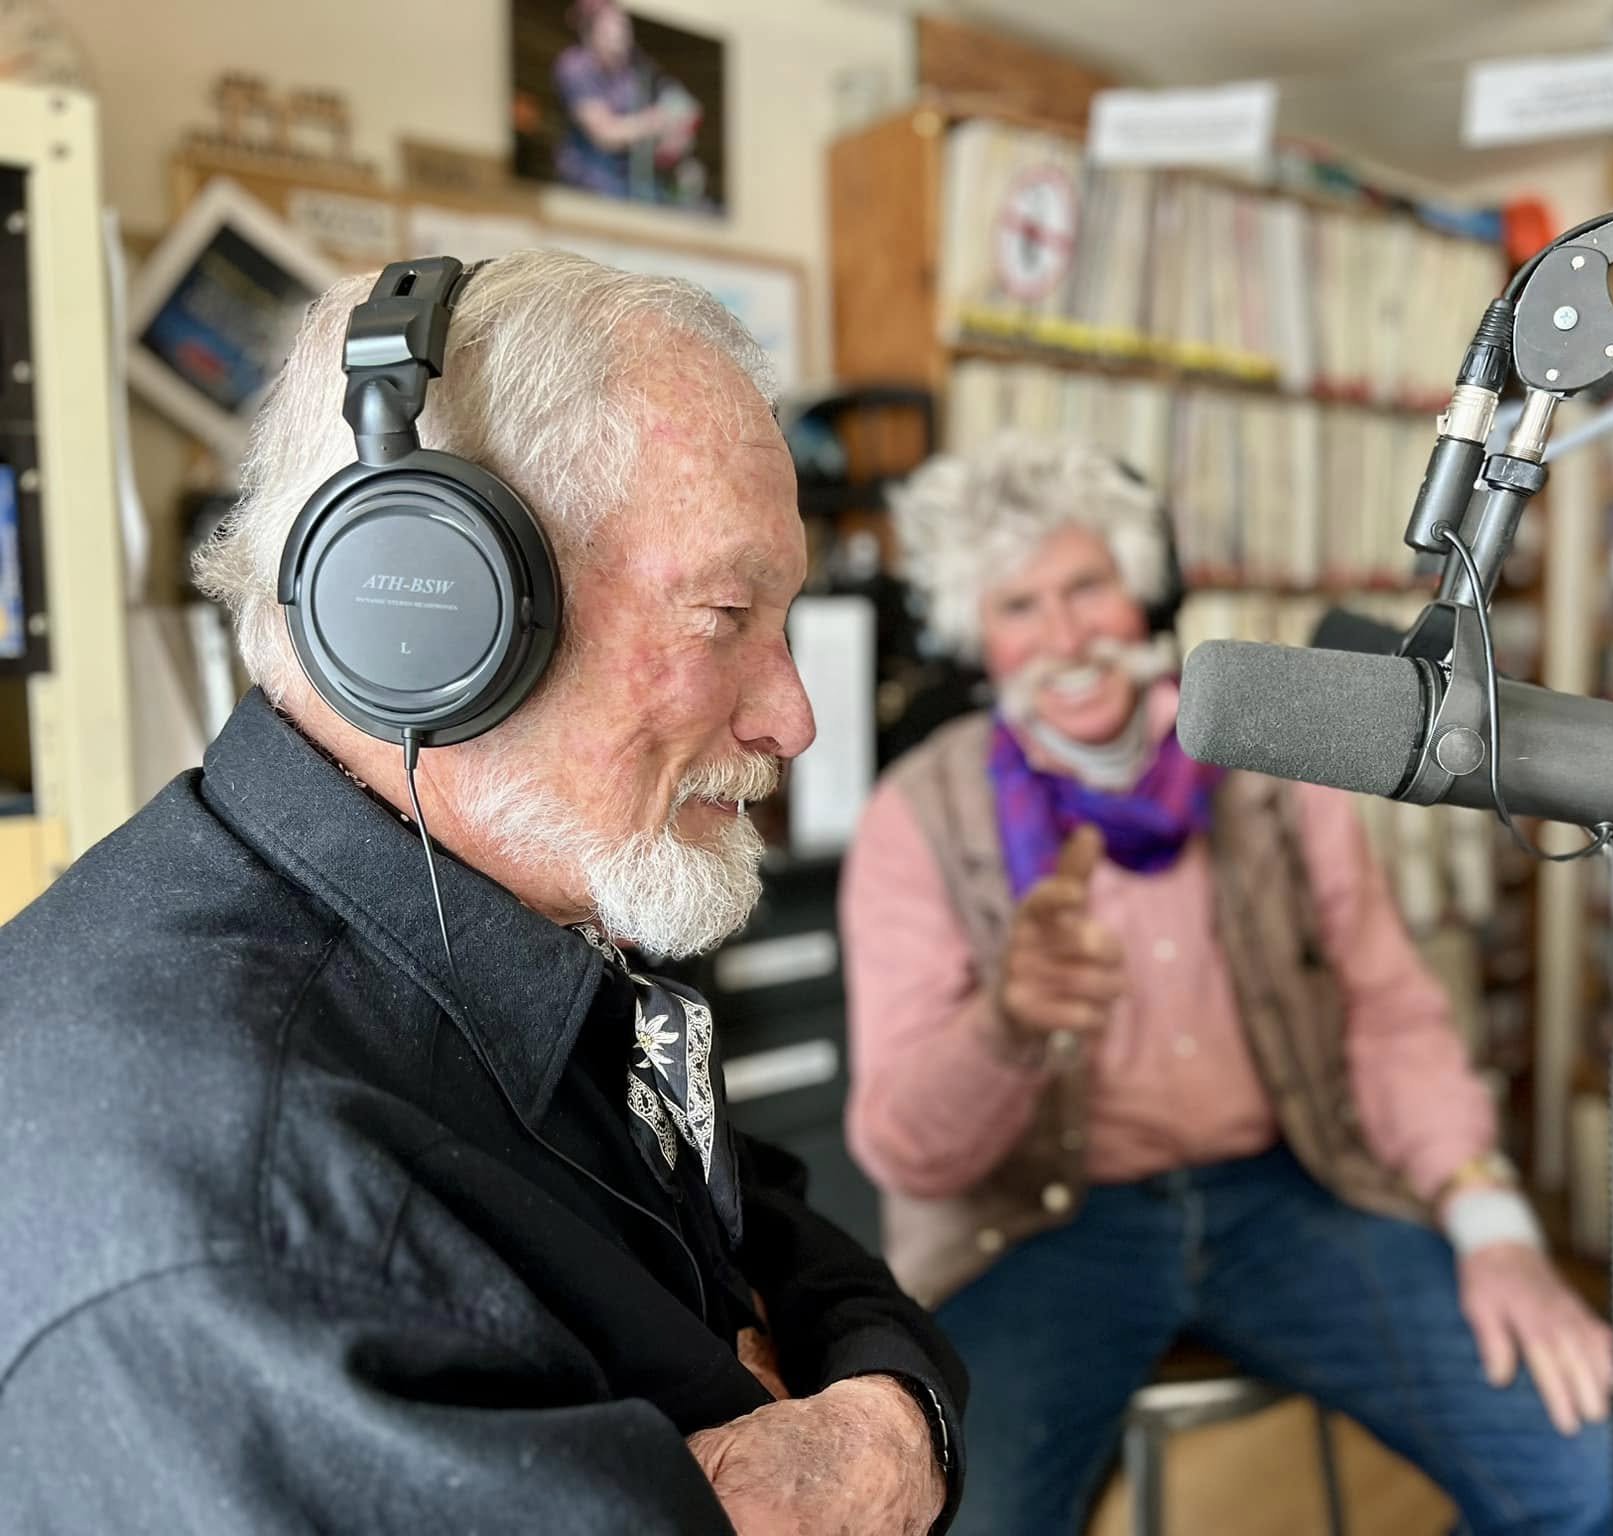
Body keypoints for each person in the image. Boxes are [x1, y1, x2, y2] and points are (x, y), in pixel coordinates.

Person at [0, 250, 962, 1534]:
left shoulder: (512, 907)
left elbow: (768, 1236)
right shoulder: (236, 1222)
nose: (791, 718)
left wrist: (883, 1430)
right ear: (430, 613)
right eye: (726, 612)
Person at [840, 435, 1613, 1536]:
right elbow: (905, 1148)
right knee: (934, 1520)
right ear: (977, 639)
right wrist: (1003, 1025)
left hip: (1287, 1195)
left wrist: (1495, 1230)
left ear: (1140, 588)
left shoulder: (1267, 755)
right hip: (1036, 1234)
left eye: (1086, 587)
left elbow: (1390, 1015)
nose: (1064, 636)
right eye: (1018, 607)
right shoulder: (917, 816)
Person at [552, 0, 708, 205]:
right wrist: (655, 121)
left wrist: (678, 133)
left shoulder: (638, 72)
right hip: (589, 179)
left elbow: (686, 108)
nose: (620, 32)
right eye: (610, 25)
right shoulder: (574, 66)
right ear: (590, 31)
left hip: (634, 180)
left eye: (623, 25)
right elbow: (606, 134)